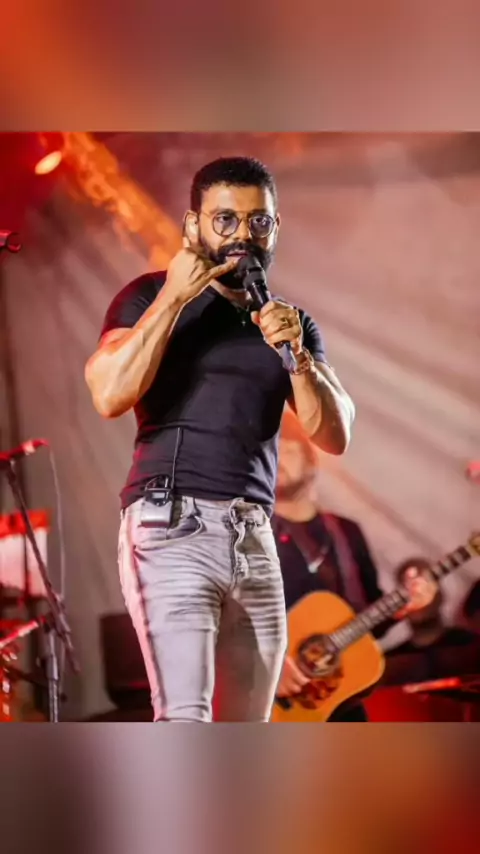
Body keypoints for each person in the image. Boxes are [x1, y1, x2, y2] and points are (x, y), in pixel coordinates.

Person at [85, 156, 355, 723]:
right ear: (193, 225)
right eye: (225, 219)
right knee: (187, 719)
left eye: (259, 221)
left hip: (254, 534)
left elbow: (334, 435)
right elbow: (109, 393)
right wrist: (173, 298)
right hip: (171, 525)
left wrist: (299, 357)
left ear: (275, 228)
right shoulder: (148, 296)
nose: (242, 236)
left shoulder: (289, 322)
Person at [272, 408, 437, 721]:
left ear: (311, 460)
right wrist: (263, 665)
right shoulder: (246, 534)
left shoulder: (347, 532)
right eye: (272, 453)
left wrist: (403, 606)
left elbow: (368, 622)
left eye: (289, 451)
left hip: (336, 700)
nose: (278, 460)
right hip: (263, 701)